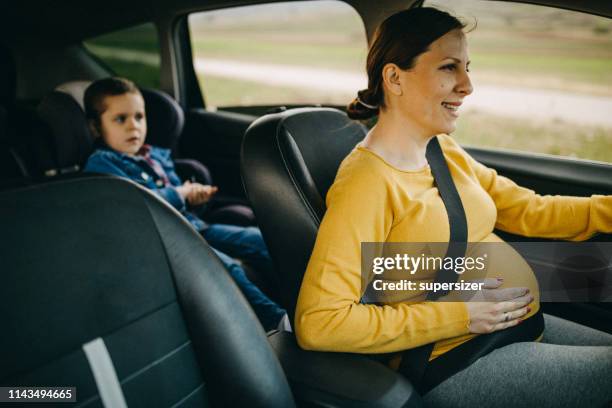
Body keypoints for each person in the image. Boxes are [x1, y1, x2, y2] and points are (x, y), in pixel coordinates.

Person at [294, 7, 612, 407]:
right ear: (394, 78)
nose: (467, 86)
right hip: (457, 360)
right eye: (449, 67)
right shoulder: (367, 182)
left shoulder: (441, 149)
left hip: (513, 326)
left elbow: (528, 209)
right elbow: (320, 322)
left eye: (467, 68)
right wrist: (462, 316)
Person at [82, 77, 289, 332]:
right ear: (95, 127)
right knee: (222, 264)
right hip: (162, 242)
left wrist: (195, 198)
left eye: (139, 117)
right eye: (120, 119)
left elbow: (182, 205)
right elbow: (139, 206)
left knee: (260, 239)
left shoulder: (154, 155)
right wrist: (180, 193)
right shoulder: (102, 164)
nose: (133, 126)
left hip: (193, 226)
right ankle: (278, 323)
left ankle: (305, 302)